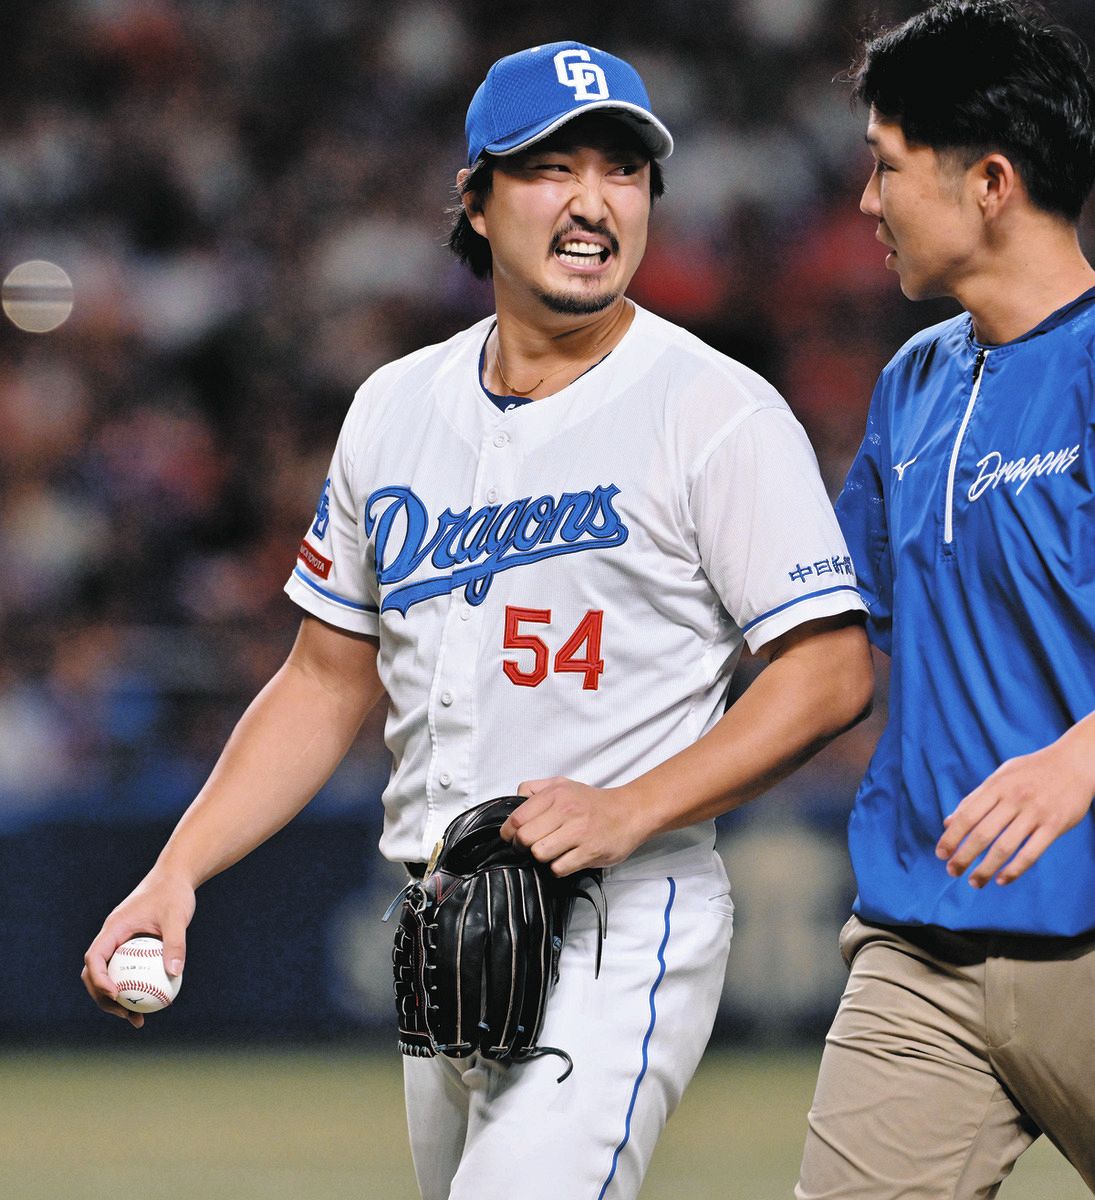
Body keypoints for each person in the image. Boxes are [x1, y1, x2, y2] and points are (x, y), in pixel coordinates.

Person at [83, 41, 873, 1200]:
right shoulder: (394, 406)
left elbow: (831, 670)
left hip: (621, 917)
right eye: (552, 168)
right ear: (477, 200)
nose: (595, 201)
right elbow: (323, 679)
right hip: (441, 924)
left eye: (623, 169)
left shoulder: (713, 410)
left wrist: (632, 805)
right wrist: (177, 871)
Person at [796, 3, 1095, 1197]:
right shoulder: (914, 382)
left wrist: (1081, 757)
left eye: (886, 165)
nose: (866, 201)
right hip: (923, 947)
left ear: (991, 183)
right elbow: (826, 647)